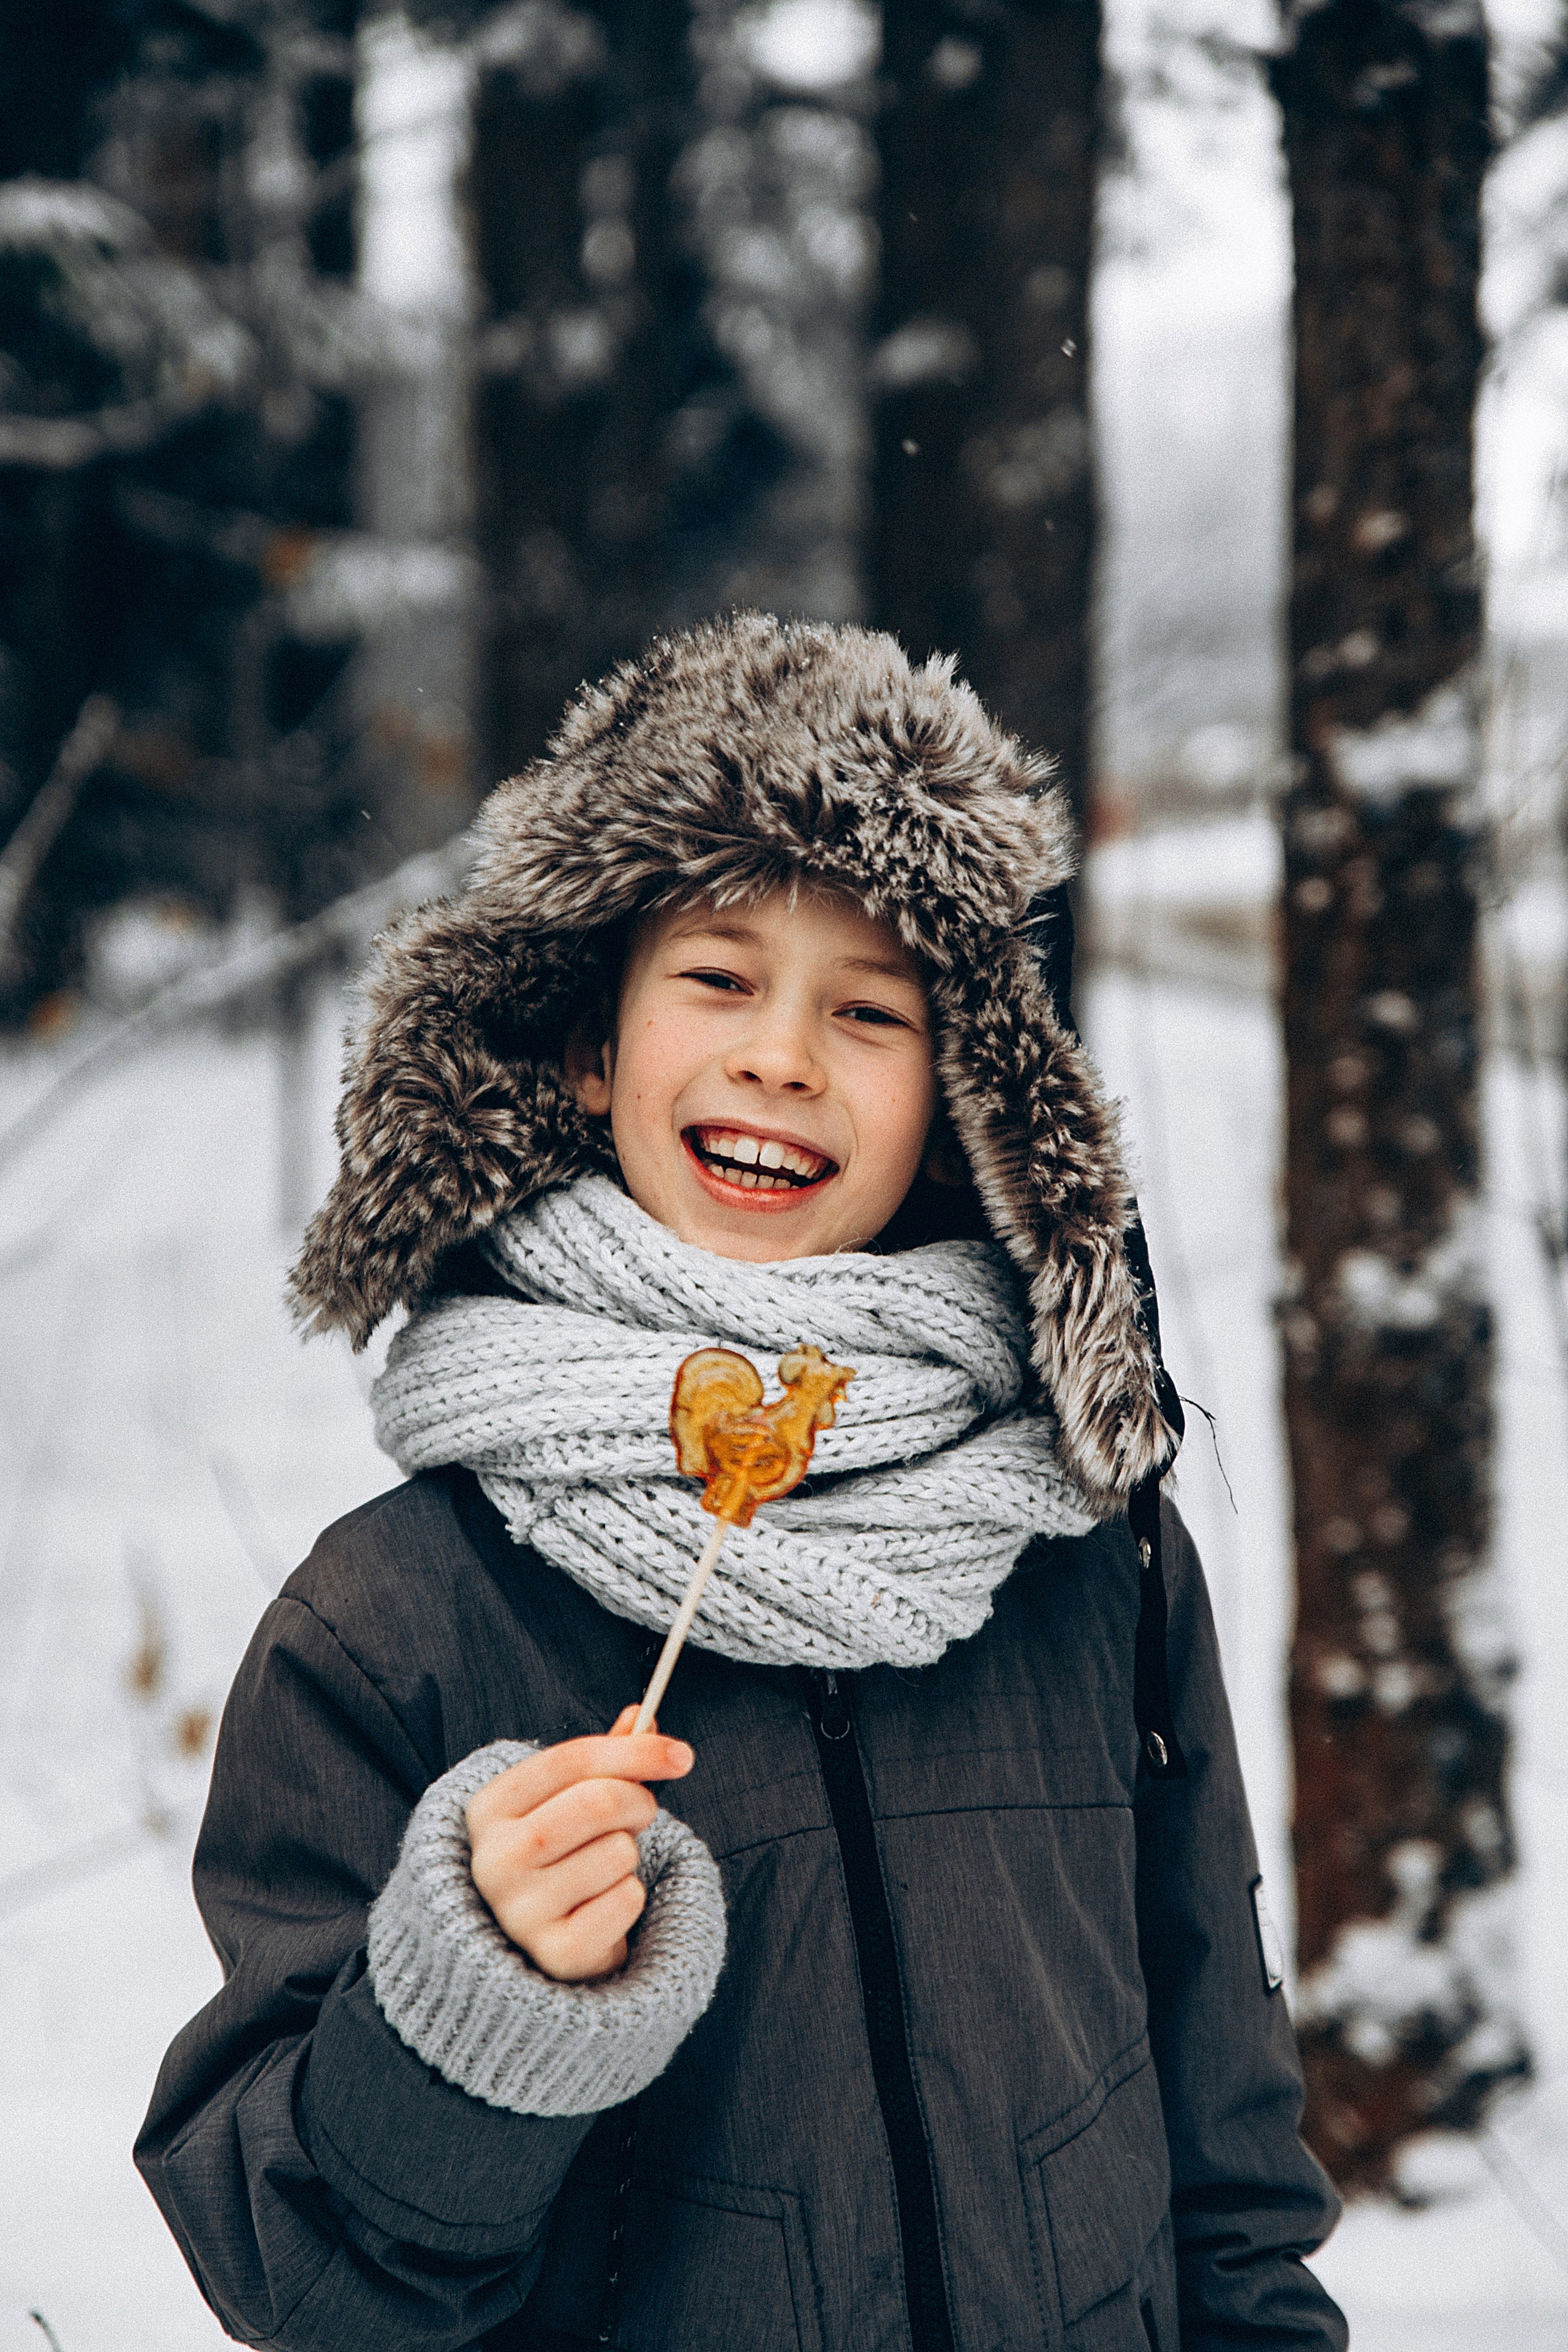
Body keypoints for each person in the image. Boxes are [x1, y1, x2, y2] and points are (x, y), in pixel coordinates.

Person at [137, 614, 1346, 2352]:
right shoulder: (396, 1617)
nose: (784, 1054)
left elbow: (1227, 2161)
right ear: (588, 1048)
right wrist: (469, 2026)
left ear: (961, 1104)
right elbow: (306, 2281)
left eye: (871, 1009)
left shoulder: (1086, 1554)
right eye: (717, 977)